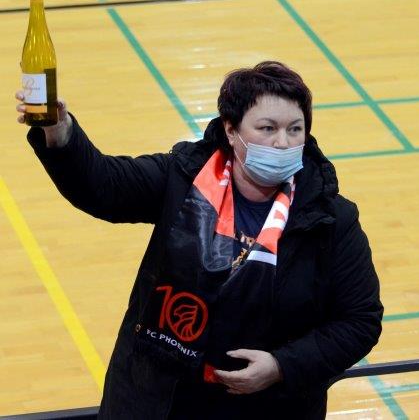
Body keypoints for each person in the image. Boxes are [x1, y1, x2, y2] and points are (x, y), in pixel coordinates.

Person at [16, 61, 383, 419]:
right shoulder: (184, 175)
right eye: (267, 128)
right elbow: (104, 186)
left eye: (295, 129)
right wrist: (59, 131)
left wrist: (281, 366)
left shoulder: (331, 218)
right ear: (231, 130)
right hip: (158, 397)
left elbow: (360, 321)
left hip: (268, 405)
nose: (282, 142)